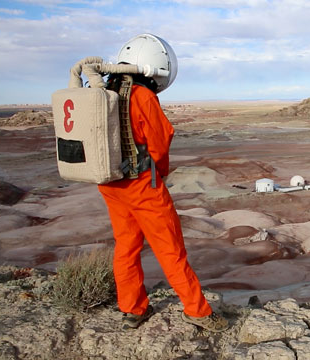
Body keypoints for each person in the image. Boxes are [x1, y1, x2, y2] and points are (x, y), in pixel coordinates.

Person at [97, 33, 228, 331]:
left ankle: (133, 308)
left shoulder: (106, 91)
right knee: (170, 249)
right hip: (142, 186)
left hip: (110, 182)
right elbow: (160, 141)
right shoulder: (142, 95)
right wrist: (159, 175)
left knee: (126, 247)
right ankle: (197, 311)